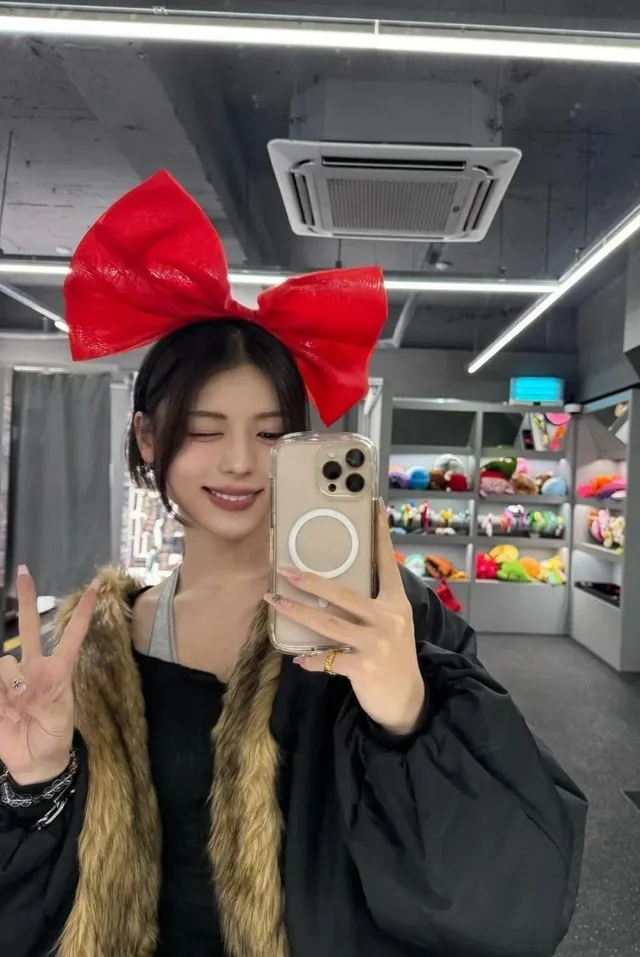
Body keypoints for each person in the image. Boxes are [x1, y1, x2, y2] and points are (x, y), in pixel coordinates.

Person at [0, 172, 587, 957]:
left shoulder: (385, 619)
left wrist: (408, 715)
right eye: (204, 429)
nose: (240, 462)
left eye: (272, 432)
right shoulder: (92, 647)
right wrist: (34, 784)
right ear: (147, 437)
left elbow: (511, 902)